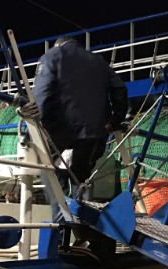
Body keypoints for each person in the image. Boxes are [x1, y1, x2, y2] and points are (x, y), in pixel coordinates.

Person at [32, 36, 128, 220]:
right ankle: (83, 230)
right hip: (95, 137)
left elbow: (42, 93)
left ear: (58, 45)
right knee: (82, 178)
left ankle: (60, 233)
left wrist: (41, 125)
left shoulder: (52, 55)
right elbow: (120, 90)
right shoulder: (98, 61)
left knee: (51, 174)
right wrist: (114, 122)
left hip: (63, 136)